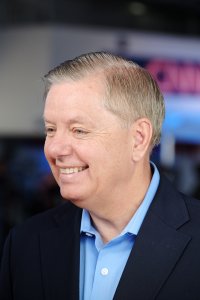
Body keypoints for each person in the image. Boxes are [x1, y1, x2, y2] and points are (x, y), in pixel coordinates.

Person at [0, 52, 200, 300]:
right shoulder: (25, 243)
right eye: (50, 129)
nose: (54, 149)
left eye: (79, 130)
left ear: (138, 138)